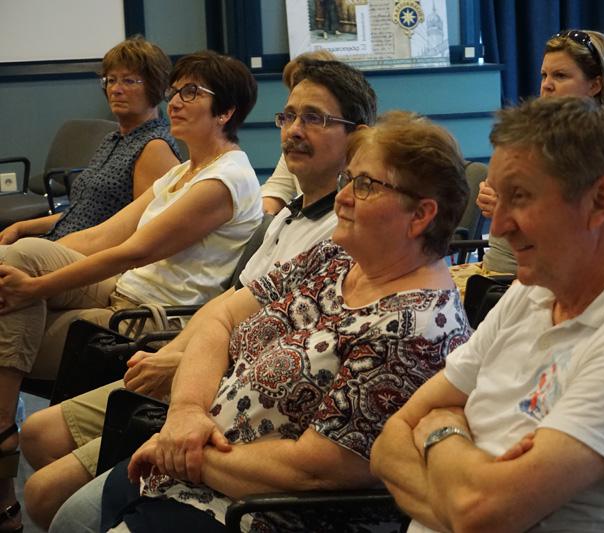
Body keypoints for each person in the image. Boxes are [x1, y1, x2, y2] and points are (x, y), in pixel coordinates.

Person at [51, 111, 471, 532]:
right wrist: (185, 413)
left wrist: (186, 455)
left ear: (420, 216)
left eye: (365, 186)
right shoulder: (338, 257)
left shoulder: (417, 328)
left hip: (259, 512)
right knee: (68, 518)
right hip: (188, 456)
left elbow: (316, 470)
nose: (342, 197)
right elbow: (221, 317)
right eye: (348, 179)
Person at [19, 58, 376, 529]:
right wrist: (177, 357)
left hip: (191, 352)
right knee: (37, 428)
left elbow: (141, 254)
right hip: (188, 352)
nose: (293, 130)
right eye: (288, 116)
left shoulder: (343, 236)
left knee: (48, 493)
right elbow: (227, 307)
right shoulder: (287, 217)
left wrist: (180, 368)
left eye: (314, 118)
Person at [372, 97, 604, 532]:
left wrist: (442, 429)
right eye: (498, 200)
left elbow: (481, 515)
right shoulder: (533, 290)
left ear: (600, 202)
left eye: (519, 197)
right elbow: (389, 442)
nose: (499, 226)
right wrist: (463, 493)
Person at [0, 50, 263, 532]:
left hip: (150, 316)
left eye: (191, 93)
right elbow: (104, 235)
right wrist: (28, 263)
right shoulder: (182, 171)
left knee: (13, 305)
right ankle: (3, 434)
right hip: (117, 292)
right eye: (175, 91)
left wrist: (35, 288)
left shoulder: (226, 178)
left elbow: (133, 251)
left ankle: (3, 439)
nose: (174, 101)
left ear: (225, 111)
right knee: (19, 256)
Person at [451, 29, 604, 293]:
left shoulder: (598, 151)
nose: (546, 85)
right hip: (494, 273)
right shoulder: (538, 135)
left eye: (560, 76)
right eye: (544, 75)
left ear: (595, 85)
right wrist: (492, 196)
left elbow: (578, 240)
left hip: (526, 282)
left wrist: (507, 206)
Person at [0, 36, 180, 245]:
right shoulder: (113, 139)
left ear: (156, 86)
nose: (115, 89)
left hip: (84, 255)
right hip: (62, 243)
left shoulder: (154, 147)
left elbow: (141, 234)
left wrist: (47, 250)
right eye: (111, 80)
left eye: (129, 81)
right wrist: (22, 227)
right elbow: (81, 214)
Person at [261, 49, 336, 215]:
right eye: (294, 87)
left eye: (313, 118)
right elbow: (277, 188)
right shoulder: (296, 147)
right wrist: (258, 213)